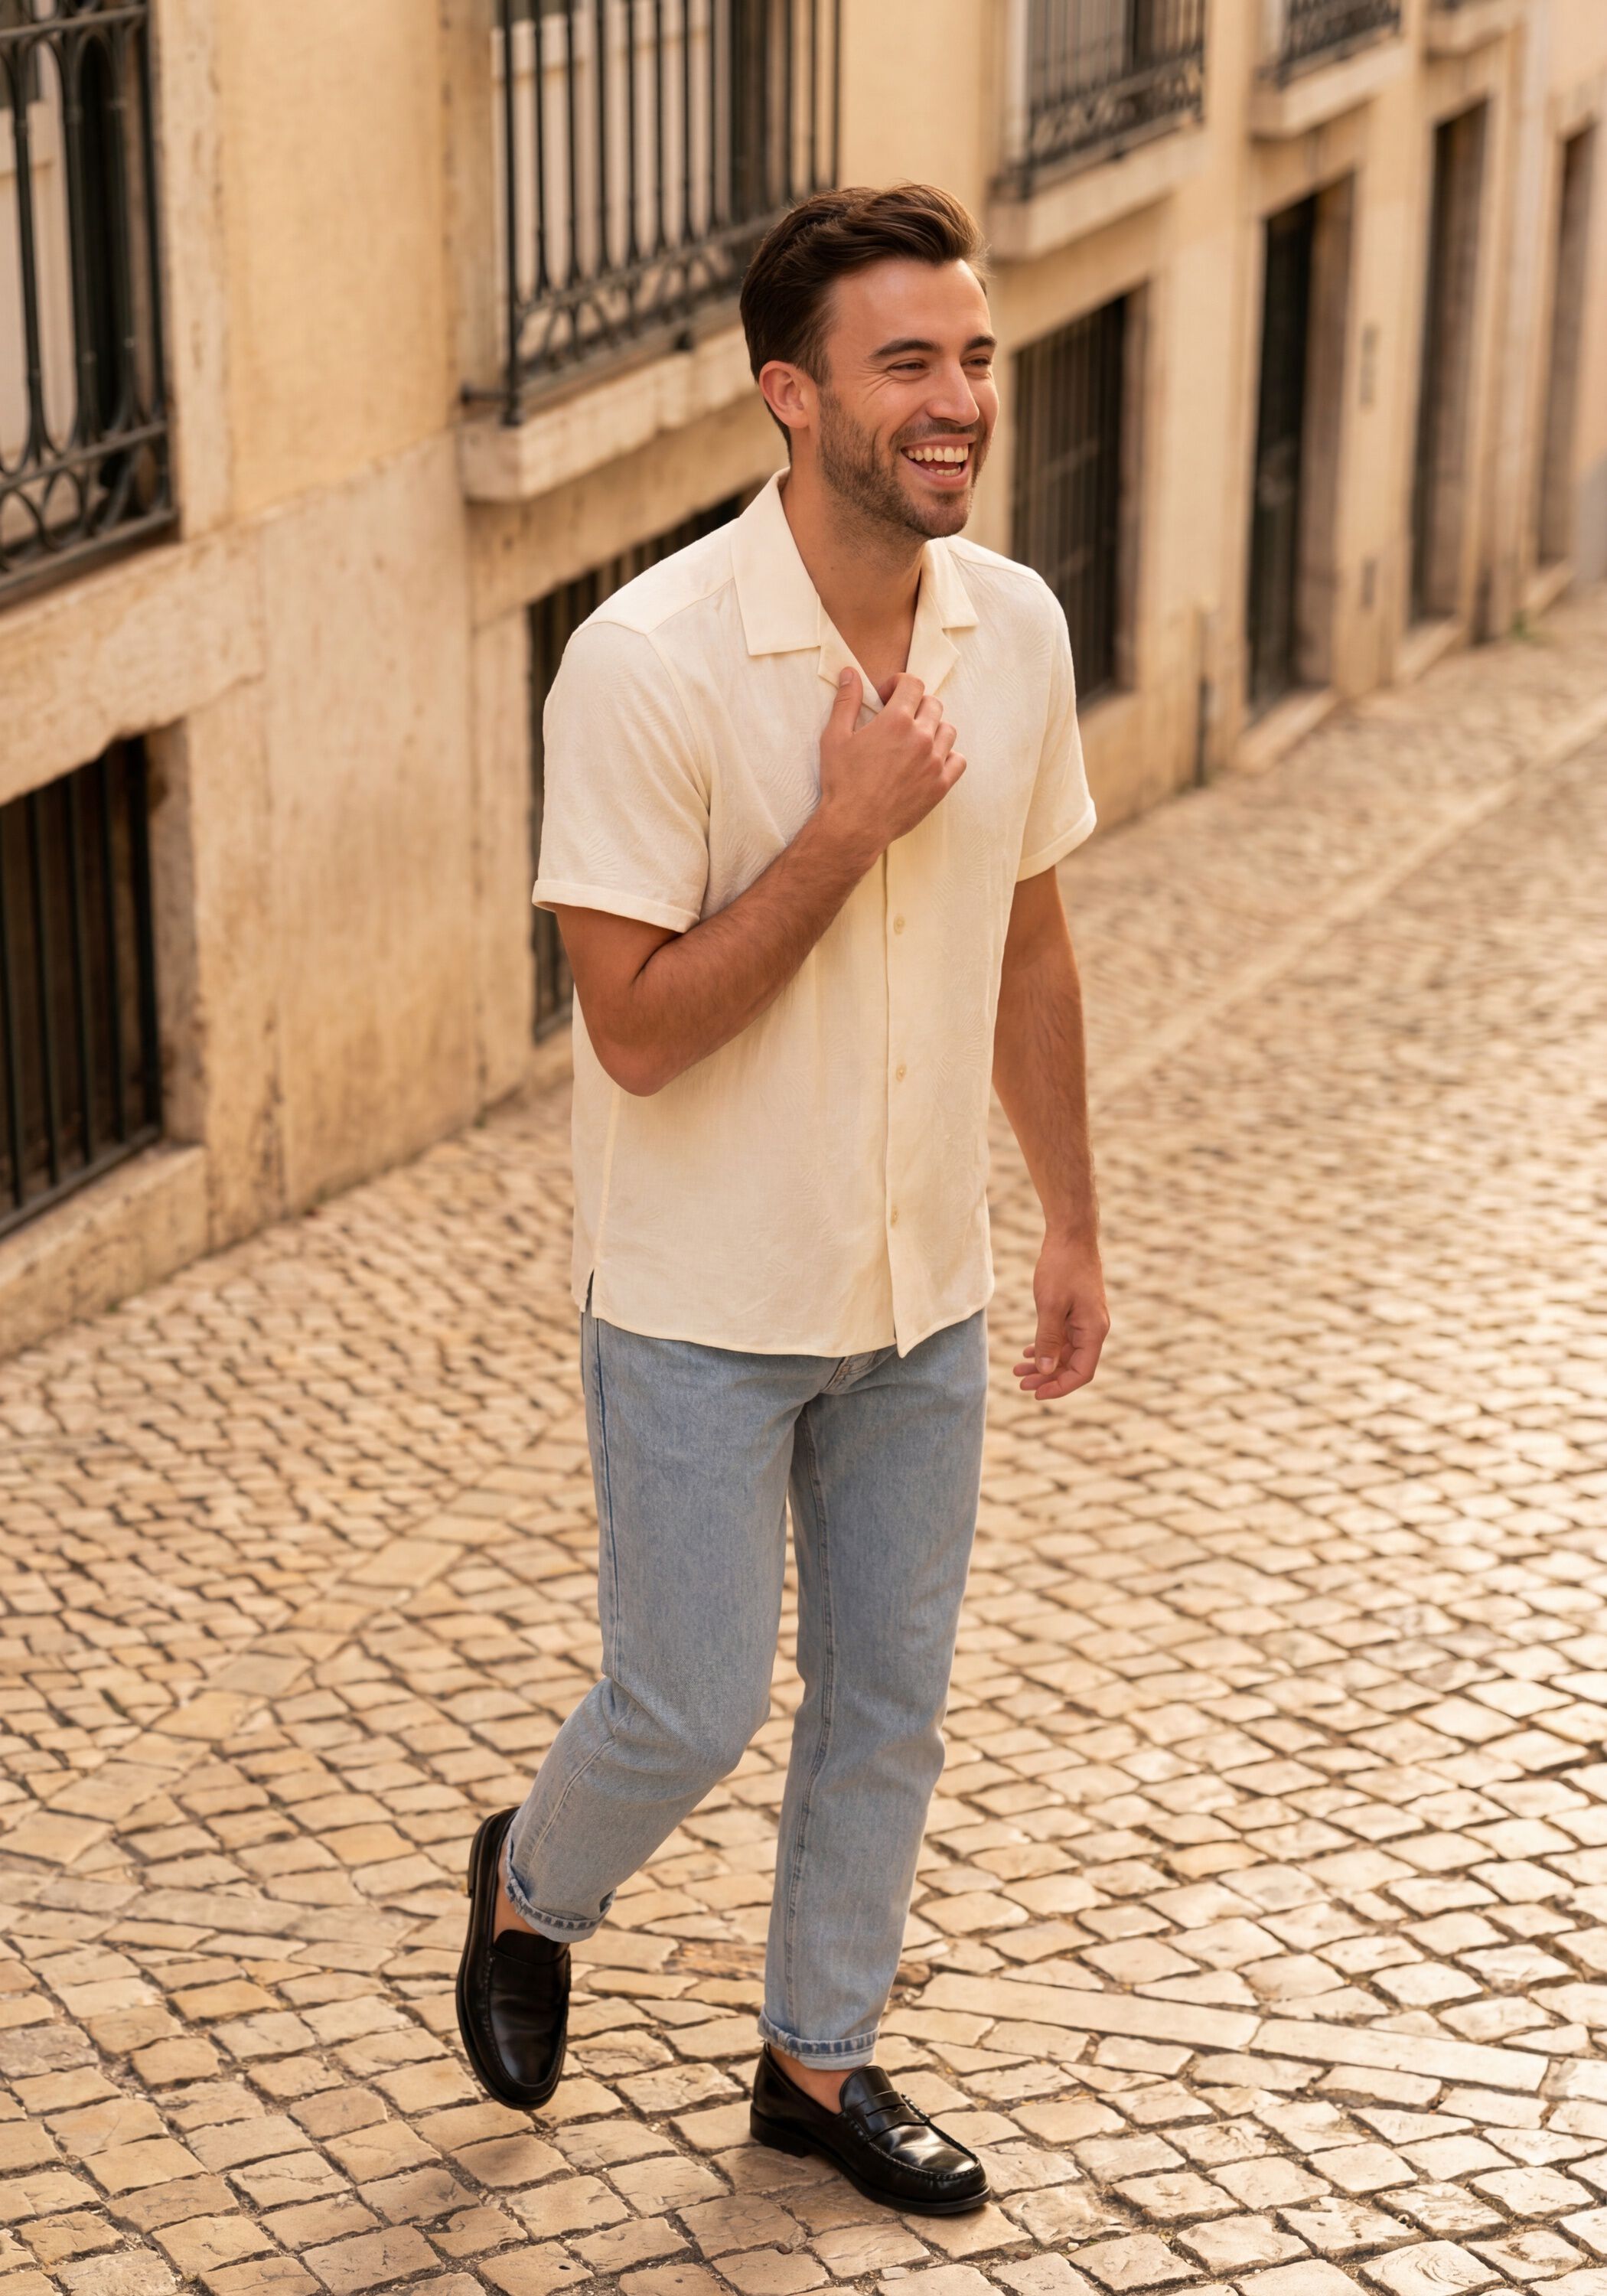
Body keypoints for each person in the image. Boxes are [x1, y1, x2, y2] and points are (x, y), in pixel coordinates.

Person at [456, 182, 1109, 2216]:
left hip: (921, 1288)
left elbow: (1026, 942)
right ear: (789, 395)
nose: (959, 399)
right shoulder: (643, 663)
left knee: (887, 1707)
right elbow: (637, 1030)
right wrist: (840, 830)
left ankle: (816, 2069)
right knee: (691, 1700)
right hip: (699, 1300)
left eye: (974, 356)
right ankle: (529, 1884)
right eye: (906, 362)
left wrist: (1070, 1221)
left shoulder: (1015, 628)